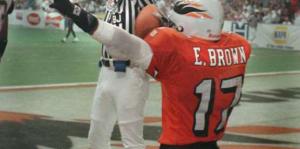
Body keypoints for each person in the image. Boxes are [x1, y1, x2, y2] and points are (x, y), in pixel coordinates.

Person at [50, 0, 252, 148]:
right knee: (100, 127)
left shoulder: (174, 48)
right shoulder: (240, 47)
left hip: (176, 141)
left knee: (130, 136)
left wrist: (74, 12)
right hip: (211, 140)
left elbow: (120, 41)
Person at [59, 0, 153, 148]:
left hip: (131, 72)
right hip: (105, 71)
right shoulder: (112, 1)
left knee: (132, 139)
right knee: (97, 134)